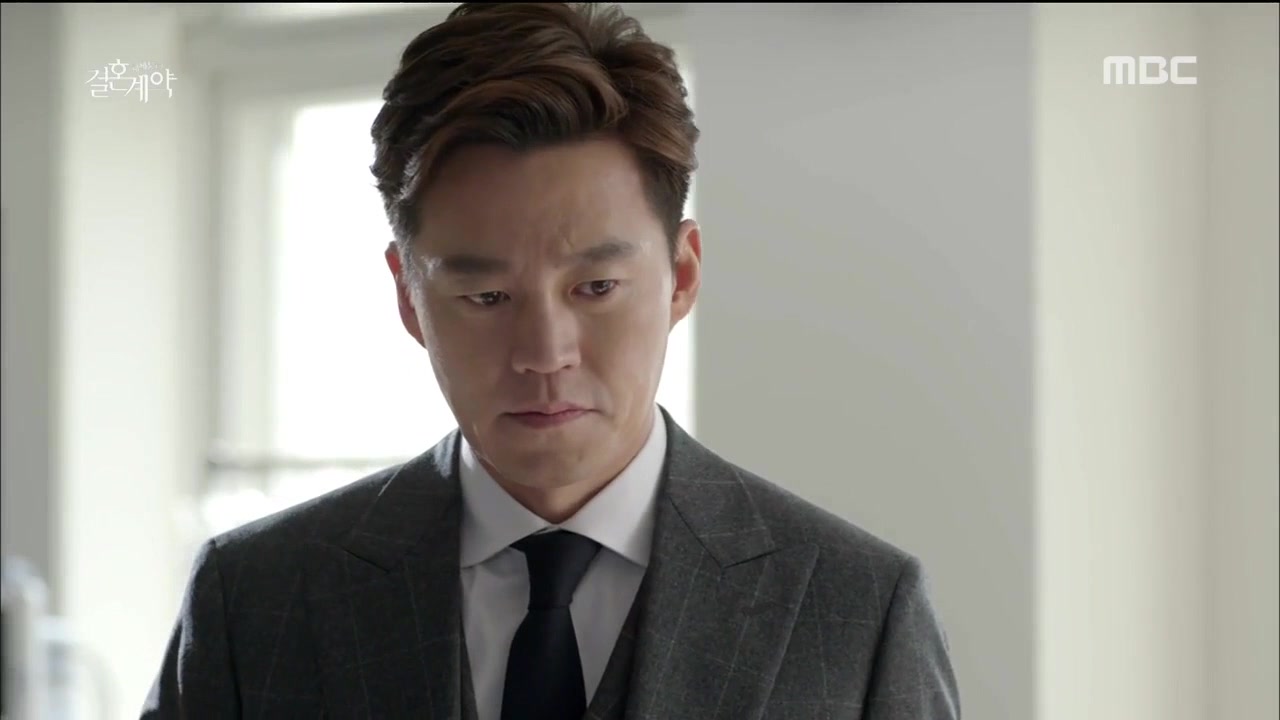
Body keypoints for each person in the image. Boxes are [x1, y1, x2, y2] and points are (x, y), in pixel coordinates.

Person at [141, 3, 961, 719]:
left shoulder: (859, 609)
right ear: (408, 297)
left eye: (596, 287)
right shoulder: (255, 598)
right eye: (486, 296)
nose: (543, 354)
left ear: (681, 276)